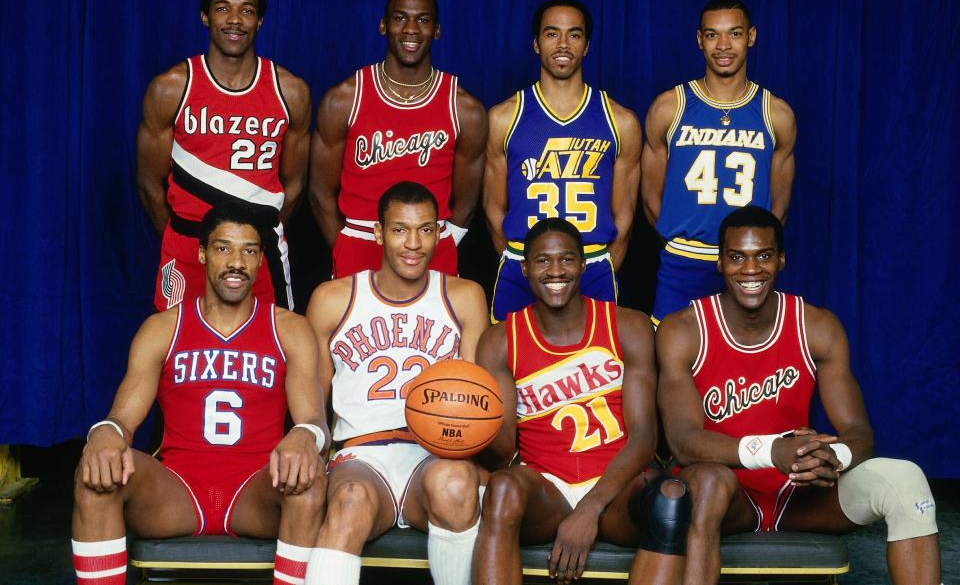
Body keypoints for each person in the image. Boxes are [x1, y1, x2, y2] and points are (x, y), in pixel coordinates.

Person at [657, 206, 941, 584]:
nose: (751, 269)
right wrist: (772, 450)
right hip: (726, 496)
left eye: (764, 255)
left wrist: (830, 457)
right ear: (720, 263)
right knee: (708, 483)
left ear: (782, 259)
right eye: (737, 257)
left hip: (800, 493)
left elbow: (858, 430)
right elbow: (683, 442)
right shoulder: (683, 330)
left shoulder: (817, 326)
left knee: (905, 478)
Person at [71, 202, 329, 585]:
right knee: (95, 471)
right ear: (203, 254)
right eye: (224, 248)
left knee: (309, 479)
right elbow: (124, 416)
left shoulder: (288, 328)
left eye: (249, 250)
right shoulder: (163, 328)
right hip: (177, 492)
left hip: (255, 491)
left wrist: (305, 437)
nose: (236, 262)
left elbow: (313, 418)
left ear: (261, 260)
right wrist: (105, 432)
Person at [473, 218, 690, 585]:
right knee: (503, 488)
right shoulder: (500, 341)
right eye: (542, 261)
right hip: (547, 490)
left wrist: (589, 509)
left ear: (583, 264)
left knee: (669, 496)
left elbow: (643, 438)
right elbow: (503, 448)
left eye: (566, 259)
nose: (555, 271)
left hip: (617, 490)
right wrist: (463, 425)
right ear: (524, 268)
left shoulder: (627, 326)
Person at [304, 182, 489, 585]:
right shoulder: (332, 299)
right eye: (400, 229)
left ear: (439, 233)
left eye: (425, 229)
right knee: (349, 502)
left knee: (456, 485)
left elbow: (480, 400)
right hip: (362, 456)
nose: (414, 243)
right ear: (378, 232)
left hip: (436, 454)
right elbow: (313, 404)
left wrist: (477, 460)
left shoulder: (464, 297)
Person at [137, 0, 311, 311]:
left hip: (259, 251)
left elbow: (295, 184)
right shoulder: (171, 88)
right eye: (222, 8)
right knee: (177, 354)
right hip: (187, 247)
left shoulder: (290, 91)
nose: (235, 20)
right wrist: (185, 237)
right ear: (205, 16)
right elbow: (148, 185)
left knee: (272, 353)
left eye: (247, 10)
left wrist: (256, 236)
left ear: (260, 20)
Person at [309, 0, 487, 278]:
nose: (411, 29)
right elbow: (319, 193)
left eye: (423, 20)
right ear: (383, 25)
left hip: (432, 248)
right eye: (400, 18)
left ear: (437, 30)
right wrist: (344, 245)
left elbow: (467, 201)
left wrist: (441, 243)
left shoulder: (464, 109)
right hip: (360, 241)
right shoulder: (345, 99)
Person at [641, 0, 797, 325]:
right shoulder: (670, 107)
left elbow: (778, 209)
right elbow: (651, 200)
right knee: (670, 364)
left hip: (747, 267)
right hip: (682, 263)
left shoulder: (776, 114)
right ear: (700, 40)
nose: (723, 45)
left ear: (751, 37)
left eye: (734, 34)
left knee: (741, 368)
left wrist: (748, 252)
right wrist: (683, 240)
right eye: (712, 35)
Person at [485, 0, 643, 323]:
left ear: (586, 46)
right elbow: (492, 207)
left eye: (574, 35)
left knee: (595, 372)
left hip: (593, 265)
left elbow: (625, 217)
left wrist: (603, 267)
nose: (563, 44)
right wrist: (518, 261)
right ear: (536, 43)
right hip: (521, 267)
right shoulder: (504, 117)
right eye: (552, 33)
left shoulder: (620, 121)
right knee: (510, 369)